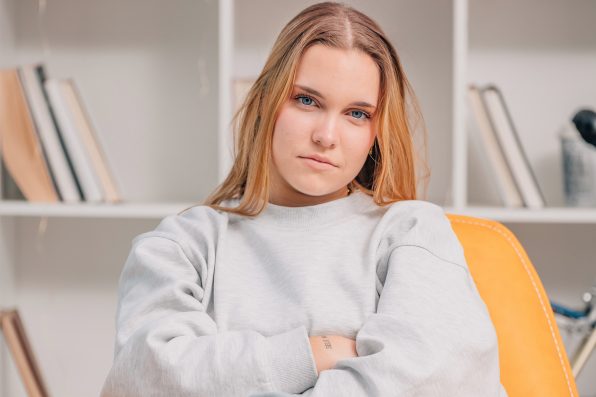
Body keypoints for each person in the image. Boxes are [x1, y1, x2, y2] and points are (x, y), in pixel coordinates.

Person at [101, 2, 508, 396]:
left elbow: (444, 380)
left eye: (357, 113)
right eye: (307, 100)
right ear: (266, 101)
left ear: (376, 132)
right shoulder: (182, 246)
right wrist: (316, 352)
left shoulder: (411, 230)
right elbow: (143, 380)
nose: (326, 136)